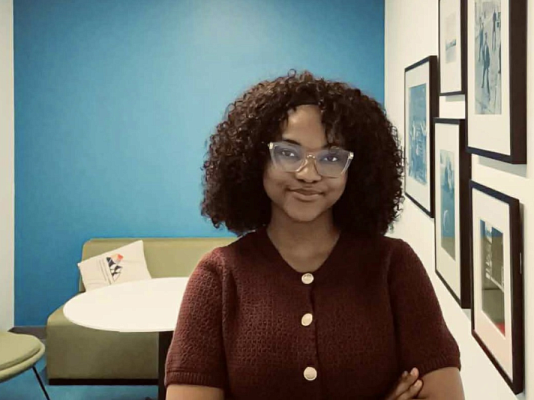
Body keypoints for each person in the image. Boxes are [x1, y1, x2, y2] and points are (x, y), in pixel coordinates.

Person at [164, 71, 464, 400]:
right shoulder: (218, 278)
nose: (309, 174)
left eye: (331, 158)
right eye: (288, 154)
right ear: (256, 160)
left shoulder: (394, 265)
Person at [482, 32, 491, 97]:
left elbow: (489, 56)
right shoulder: (484, 47)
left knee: (487, 76)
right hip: (485, 63)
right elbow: (483, 53)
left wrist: (489, 65)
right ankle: (483, 83)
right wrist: (483, 60)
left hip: (487, 63)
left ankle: (488, 88)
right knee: (483, 73)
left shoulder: (487, 47)